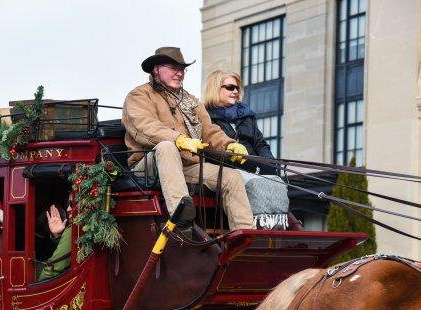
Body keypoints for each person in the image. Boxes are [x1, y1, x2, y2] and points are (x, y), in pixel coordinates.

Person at [122, 47, 254, 232]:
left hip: (186, 166)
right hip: (148, 166)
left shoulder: (191, 101)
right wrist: (179, 140)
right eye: (173, 68)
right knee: (167, 147)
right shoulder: (139, 95)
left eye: (182, 69)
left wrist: (230, 145)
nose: (180, 73)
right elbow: (144, 127)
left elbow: (209, 131)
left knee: (231, 177)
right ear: (156, 69)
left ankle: (244, 235)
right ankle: (181, 218)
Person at [203, 69, 302, 231]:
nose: (235, 91)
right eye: (230, 87)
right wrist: (252, 166)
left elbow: (260, 144)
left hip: (256, 166)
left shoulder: (246, 115)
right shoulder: (205, 117)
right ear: (215, 88)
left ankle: (276, 227)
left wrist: (270, 165)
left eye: (237, 88)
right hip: (229, 168)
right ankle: (257, 227)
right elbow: (211, 150)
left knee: (277, 182)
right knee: (255, 182)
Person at [38, 204, 72, 281]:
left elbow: (54, 266)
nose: (68, 209)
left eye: (72, 203)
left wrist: (37, 285)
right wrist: (57, 235)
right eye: (68, 204)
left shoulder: (72, 229)